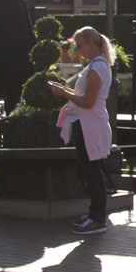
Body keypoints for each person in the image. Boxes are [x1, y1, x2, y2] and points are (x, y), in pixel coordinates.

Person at [49, 26, 114, 235]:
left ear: (91, 43)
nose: (79, 51)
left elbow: (87, 101)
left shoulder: (97, 67)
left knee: (92, 171)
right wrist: (64, 91)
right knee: (90, 170)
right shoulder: (96, 66)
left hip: (90, 123)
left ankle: (97, 217)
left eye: (80, 46)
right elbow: (84, 97)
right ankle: (95, 214)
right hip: (88, 122)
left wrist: (63, 94)